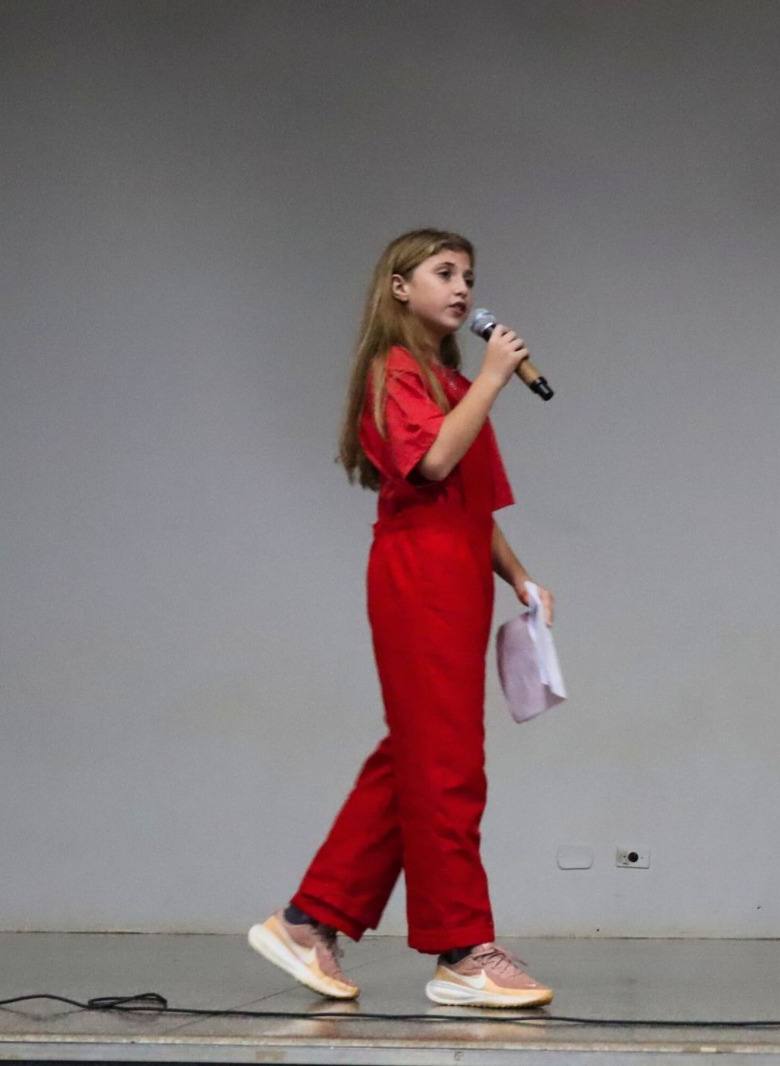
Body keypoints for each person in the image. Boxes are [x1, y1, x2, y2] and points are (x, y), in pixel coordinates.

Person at [247, 229, 555, 1008]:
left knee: (418, 755)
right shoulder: (395, 374)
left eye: (469, 276)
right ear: (398, 287)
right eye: (444, 273)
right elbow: (433, 465)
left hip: (458, 574)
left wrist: (519, 576)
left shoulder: (453, 386)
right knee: (447, 762)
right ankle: (463, 950)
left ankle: (310, 919)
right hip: (417, 576)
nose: (462, 288)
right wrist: (492, 376)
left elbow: (471, 505)